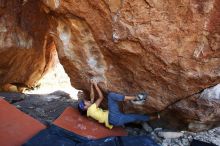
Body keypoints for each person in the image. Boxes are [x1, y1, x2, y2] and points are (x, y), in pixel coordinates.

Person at [78, 81, 160, 129]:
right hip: (112, 116)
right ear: (85, 107)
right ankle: (136, 98)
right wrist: (96, 85)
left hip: (114, 121)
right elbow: (101, 97)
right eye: (86, 102)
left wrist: (92, 85)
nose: (88, 101)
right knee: (110, 96)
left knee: (136, 117)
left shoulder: (89, 111)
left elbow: (92, 98)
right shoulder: (91, 109)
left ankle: (157, 116)